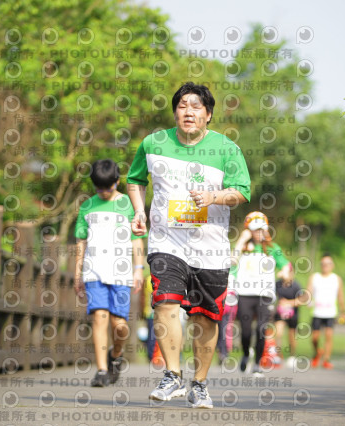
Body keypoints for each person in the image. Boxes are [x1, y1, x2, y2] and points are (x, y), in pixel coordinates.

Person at [127, 82, 251, 409]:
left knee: (205, 318)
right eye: (182, 105)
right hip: (166, 241)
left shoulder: (226, 148)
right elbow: (135, 180)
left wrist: (214, 197)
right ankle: (172, 375)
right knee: (164, 303)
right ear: (175, 112)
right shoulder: (153, 143)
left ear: (208, 115)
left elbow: (241, 191)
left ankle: (199, 384)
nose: (189, 112)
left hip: (210, 247)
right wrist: (139, 211)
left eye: (196, 107)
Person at [73, 159, 146, 387]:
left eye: (108, 187)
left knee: (120, 325)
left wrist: (138, 269)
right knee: (99, 318)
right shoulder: (87, 207)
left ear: (117, 182)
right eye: (99, 189)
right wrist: (77, 273)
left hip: (121, 274)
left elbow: (137, 240)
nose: (104, 192)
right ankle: (102, 370)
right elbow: (81, 242)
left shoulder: (128, 205)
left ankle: (116, 354)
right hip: (93, 271)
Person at [231, 211, 293, 376]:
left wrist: (285, 272)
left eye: (261, 229)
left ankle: (258, 363)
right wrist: (241, 240)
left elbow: (286, 266)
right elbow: (231, 262)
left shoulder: (272, 248)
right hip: (244, 293)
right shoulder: (243, 248)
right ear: (248, 230)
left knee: (261, 329)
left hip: (264, 295)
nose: (259, 232)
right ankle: (246, 354)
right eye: (255, 229)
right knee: (245, 331)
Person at [308, 253, 345, 369]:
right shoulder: (314, 277)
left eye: (328, 263)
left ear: (332, 265)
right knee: (314, 338)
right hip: (317, 312)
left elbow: (340, 295)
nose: (325, 266)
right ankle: (317, 352)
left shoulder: (336, 279)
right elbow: (308, 292)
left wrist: (343, 311)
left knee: (329, 335)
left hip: (330, 312)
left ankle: (326, 359)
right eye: (323, 264)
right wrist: (307, 300)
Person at [274, 277, 307, 368]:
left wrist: (289, 303)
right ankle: (278, 356)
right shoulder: (277, 284)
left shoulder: (296, 285)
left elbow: (303, 298)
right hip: (280, 313)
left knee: (291, 335)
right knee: (278, 333)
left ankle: (292, 355)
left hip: (293, 314)